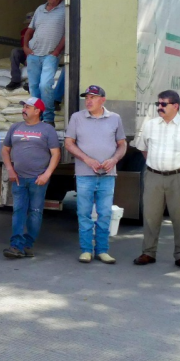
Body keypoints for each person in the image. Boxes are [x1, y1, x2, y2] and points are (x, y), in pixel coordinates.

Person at [133, 90, 180, 271]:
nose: (159, 107)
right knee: (151, 216)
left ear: (175, 106)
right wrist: (154, 163)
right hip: (153, 176)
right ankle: (148, 252)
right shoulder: (151, 125)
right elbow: (143, 148)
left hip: (179, 177)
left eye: (163, 104)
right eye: (158, 104)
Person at [64, 85, 127, 264]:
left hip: (107, 174)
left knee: (104, 213)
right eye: (87, 97)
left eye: (93, 97)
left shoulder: (115, 118)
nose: (89, 100)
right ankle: (86, 250)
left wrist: (114, 160)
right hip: (85, 174)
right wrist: (87, 159)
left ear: (102, 100)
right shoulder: (77, 118)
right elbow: (69, 143)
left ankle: (102, 250)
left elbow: (122, 144)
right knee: (83, 213)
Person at [0, 97, 61, 259]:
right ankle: (16, 246)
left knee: (35, 212)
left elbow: (56, 154)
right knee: (18, 211)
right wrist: (10, 170)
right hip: (19, 178)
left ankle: (27, 244)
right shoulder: (15, 128)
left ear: (37, 111)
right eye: (24, 107)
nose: (24, 110)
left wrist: (46, 174)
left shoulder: (47, 130)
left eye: (28, 107)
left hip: (38, 179)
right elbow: (5, 150)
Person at [23, 0, 66, 124]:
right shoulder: (40, 9)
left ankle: (48, 119)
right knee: (34, 87)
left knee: (45, 85)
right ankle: (37, 118)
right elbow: (30, 30)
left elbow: (68, 34)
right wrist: (25, 47)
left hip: (50, 55)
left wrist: (57, 51)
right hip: (34, 54)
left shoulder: (65, 10)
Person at [7, 11, 34, 91]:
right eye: (28, 23)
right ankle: (15, 80)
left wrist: (29, 57)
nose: (29, 25)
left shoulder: (40, 31)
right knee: (15, 52)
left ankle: (31, 83)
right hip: (27, 54)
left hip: (37, 55)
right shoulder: (24, 32)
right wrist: (26, 57)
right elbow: (24, 46)